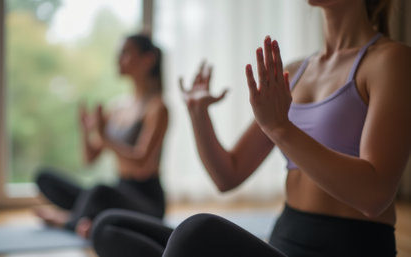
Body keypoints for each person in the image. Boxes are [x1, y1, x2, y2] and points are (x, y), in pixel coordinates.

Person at [89, 0, 411, 256]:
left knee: (195, 234)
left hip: (348, 246)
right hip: (283, 239)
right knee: (109, 226)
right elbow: (228, 175)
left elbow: (375, 196)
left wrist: (282, 128)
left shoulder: (390, 61)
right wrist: (199, 116)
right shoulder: (294, 71)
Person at [33, 34, 169, 238]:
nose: (118, 59)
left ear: (148, 59)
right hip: (118, 191)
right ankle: (86, 218)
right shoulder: (118, 107)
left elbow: (142, 165)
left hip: (147, 202)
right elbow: (90, 160)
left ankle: (67, 221)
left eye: (125, 53)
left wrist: (106, 139)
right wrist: (86, 132)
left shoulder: (157, 107)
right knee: (44, 178)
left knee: (98, 192)